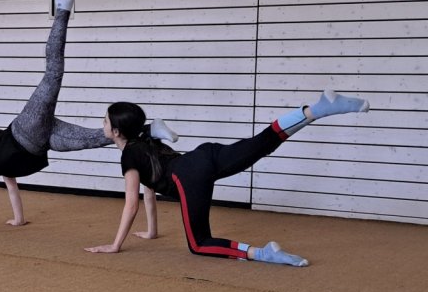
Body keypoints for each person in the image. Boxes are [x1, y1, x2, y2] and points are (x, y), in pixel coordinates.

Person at [0, 0, 178, 235]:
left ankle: (62, 8)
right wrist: (18, 218)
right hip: (41, 141)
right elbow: (10, 180)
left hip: (28, 130)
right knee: (101, 137)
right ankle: (150, 130)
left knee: (53, 74)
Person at [85, 90, 370, 266]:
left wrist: (115, 245)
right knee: (261, 144)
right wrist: (152, 232)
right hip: (204, 155)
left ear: (117, 132)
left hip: (189, 176)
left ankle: (262, 254)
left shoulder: (129, 155)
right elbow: (149, 190)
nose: (103, 124)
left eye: (105, 121)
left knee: (199, 244)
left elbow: (131, 204)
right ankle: (314, 110)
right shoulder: (144, 143)